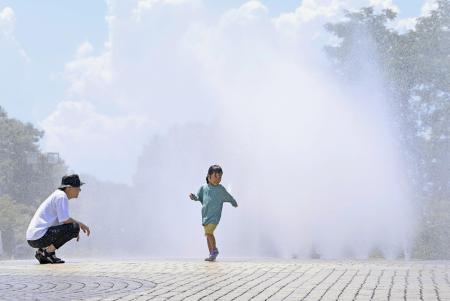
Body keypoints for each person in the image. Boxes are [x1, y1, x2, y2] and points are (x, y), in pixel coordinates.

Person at [26, 174, 90, 264]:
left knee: (73, 227)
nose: (80, 190)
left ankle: (43, 252)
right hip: (38, 237)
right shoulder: (61, 196)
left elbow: (61, 222)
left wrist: (73, 231)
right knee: (74, 227)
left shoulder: (57, 195)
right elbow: (65, 219)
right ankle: (48, 253)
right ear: (68, 188)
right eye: (78, 187)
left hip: (33, 238)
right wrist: (78, 226)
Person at [189, 165, 238, 261]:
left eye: (220, 177)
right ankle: (211, 254)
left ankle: (214, 250)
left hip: (215, 217)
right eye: (216, 176)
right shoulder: (203, 188)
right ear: (209, 176)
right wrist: (193, 197)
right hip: (205, 216)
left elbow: (229, 197)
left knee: (209, 232)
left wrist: (234, 202)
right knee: (207, 235)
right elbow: (198, 197)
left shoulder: (220, 189)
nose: (218, 179)